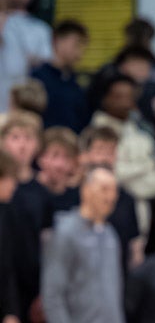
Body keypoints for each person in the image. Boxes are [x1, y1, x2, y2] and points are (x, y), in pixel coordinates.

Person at [41, 165, 124, 323]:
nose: (111, 197)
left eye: (114, 190)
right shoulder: (66, 232)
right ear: (86, 190)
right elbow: (52, 295)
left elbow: (115, 292)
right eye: (104, 189)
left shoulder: (111, 235)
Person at [90, 73, 155, 239]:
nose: (125, 102)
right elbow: (104, 176)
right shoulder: (93, 132)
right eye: (118, 96)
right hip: (100, 220)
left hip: (139, 223)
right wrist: (145, 167)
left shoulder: (143, 134)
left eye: (129, 97)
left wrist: (123, 177)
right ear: (105, 99)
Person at [1, 111, 51, 322]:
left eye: (28, 138)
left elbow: (47, 241)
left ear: (37, 145)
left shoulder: (42, 191)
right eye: (15, 137)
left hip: (31, 278)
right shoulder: (3, 190)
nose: (22, 145)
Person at [74, 124, 142, 272]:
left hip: (116, 278)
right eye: (99, 150)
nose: (105, 158)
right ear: (85, 154)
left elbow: (135, 248)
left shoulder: (126, 199)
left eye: (110, 152)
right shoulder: (72, 194)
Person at [31, 20, 90, 132]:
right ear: (57, 41)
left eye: (83, 47)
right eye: (76, 45)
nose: (80, 53)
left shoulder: (76, 83)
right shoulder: (37, 78)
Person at [0, 148, 22, 323]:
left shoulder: (6, 214)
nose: (15, 185)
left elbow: (6, 268)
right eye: (11, 178)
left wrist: (10, 311)